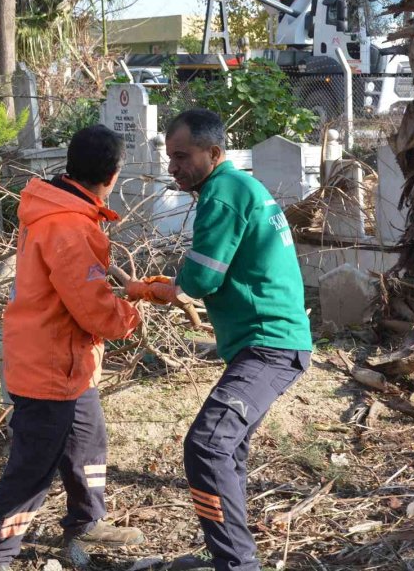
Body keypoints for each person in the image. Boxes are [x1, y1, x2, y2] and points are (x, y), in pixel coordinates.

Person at [139, 109, 313, 571]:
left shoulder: (223, 193)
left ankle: (237, 565)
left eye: (182, 156)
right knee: (227, 449)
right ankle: (230, 559)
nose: (173, 166)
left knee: (207, 446)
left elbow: (202, 277)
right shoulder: (240, 188)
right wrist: (173, 286)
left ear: (214, 153)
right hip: (270, 343)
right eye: (170, 156)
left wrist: (167, 288)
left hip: (270, 345)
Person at [0, 125, 150, 571]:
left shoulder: (58, 212)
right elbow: (92, 308)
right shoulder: (69, 226)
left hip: (68, 363)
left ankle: (86, 522)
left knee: (87, 443)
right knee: (32, 470)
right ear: (112, 176)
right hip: (50, 367)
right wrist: (130, 316)